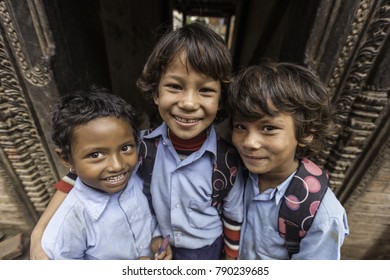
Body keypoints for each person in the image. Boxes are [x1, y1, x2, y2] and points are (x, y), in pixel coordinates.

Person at [30, 22, 244, 260]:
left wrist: (229, 261)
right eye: (175, 86)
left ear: (220, 100)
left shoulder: (228, 160)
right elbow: (77, 175)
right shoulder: (138, 146)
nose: (189, 103)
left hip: (205, 249)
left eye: (205, 91)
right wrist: (38, 233)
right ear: (155, 93)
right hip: (158, 245)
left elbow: (234, 217)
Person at [227, 61, 349, 260]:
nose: (249, 143)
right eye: (240, 126)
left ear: (306, 132)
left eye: (268, 128)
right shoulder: (231, 175)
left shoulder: (322, 215)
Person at [40, 88, 161, 259]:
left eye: (125, 148)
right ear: (66, 158)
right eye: (95, 155)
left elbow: (153, 213)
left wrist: (157, 236)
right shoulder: (69, 224)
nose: (118, 165)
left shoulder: (140, 178)